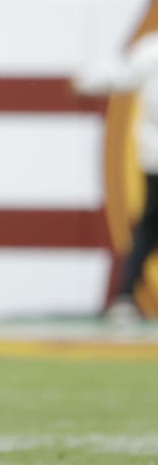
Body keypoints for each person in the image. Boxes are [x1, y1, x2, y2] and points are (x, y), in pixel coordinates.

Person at [73, 31, 158, 320]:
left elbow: (112, 75)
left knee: (148, 229)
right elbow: (114, 75)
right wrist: (88, 79)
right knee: (148, 228)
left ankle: (124, 297)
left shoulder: (150, 50)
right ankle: (124, 297)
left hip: (153, 157)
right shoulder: (151, 50)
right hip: (155, 158)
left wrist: (88, 80)